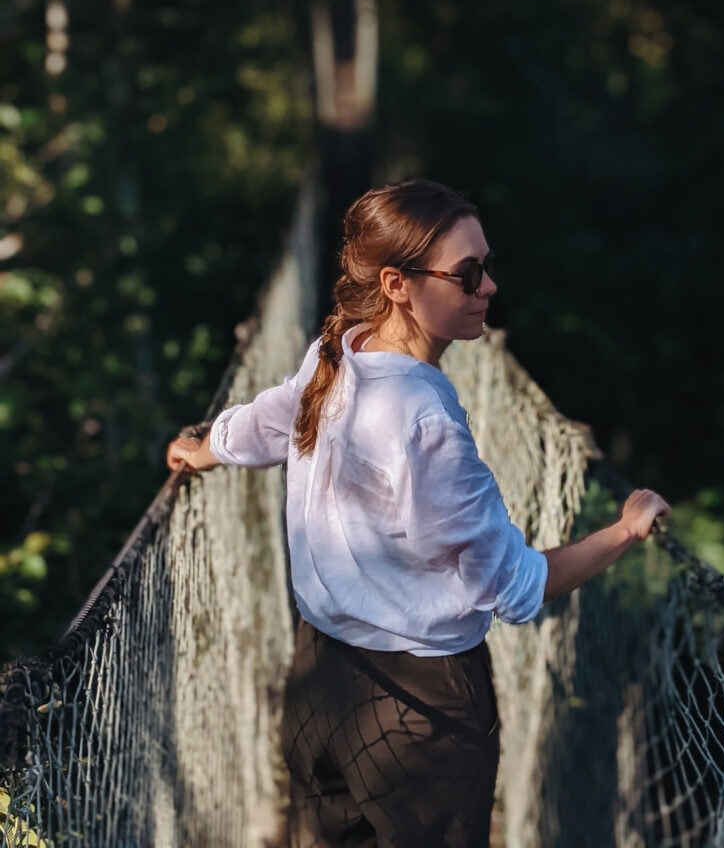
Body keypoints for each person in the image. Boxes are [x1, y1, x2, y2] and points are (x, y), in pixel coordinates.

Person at [166, 179, 670, 848]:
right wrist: (625, 529)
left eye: (487, 267)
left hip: (320, 687)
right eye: (467, 274)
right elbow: (516, 589)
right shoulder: (427, 419)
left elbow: (265, 422)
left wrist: (204, 449)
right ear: (397, 283)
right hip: (421, 716)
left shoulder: (339, 349)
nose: (488, 287)